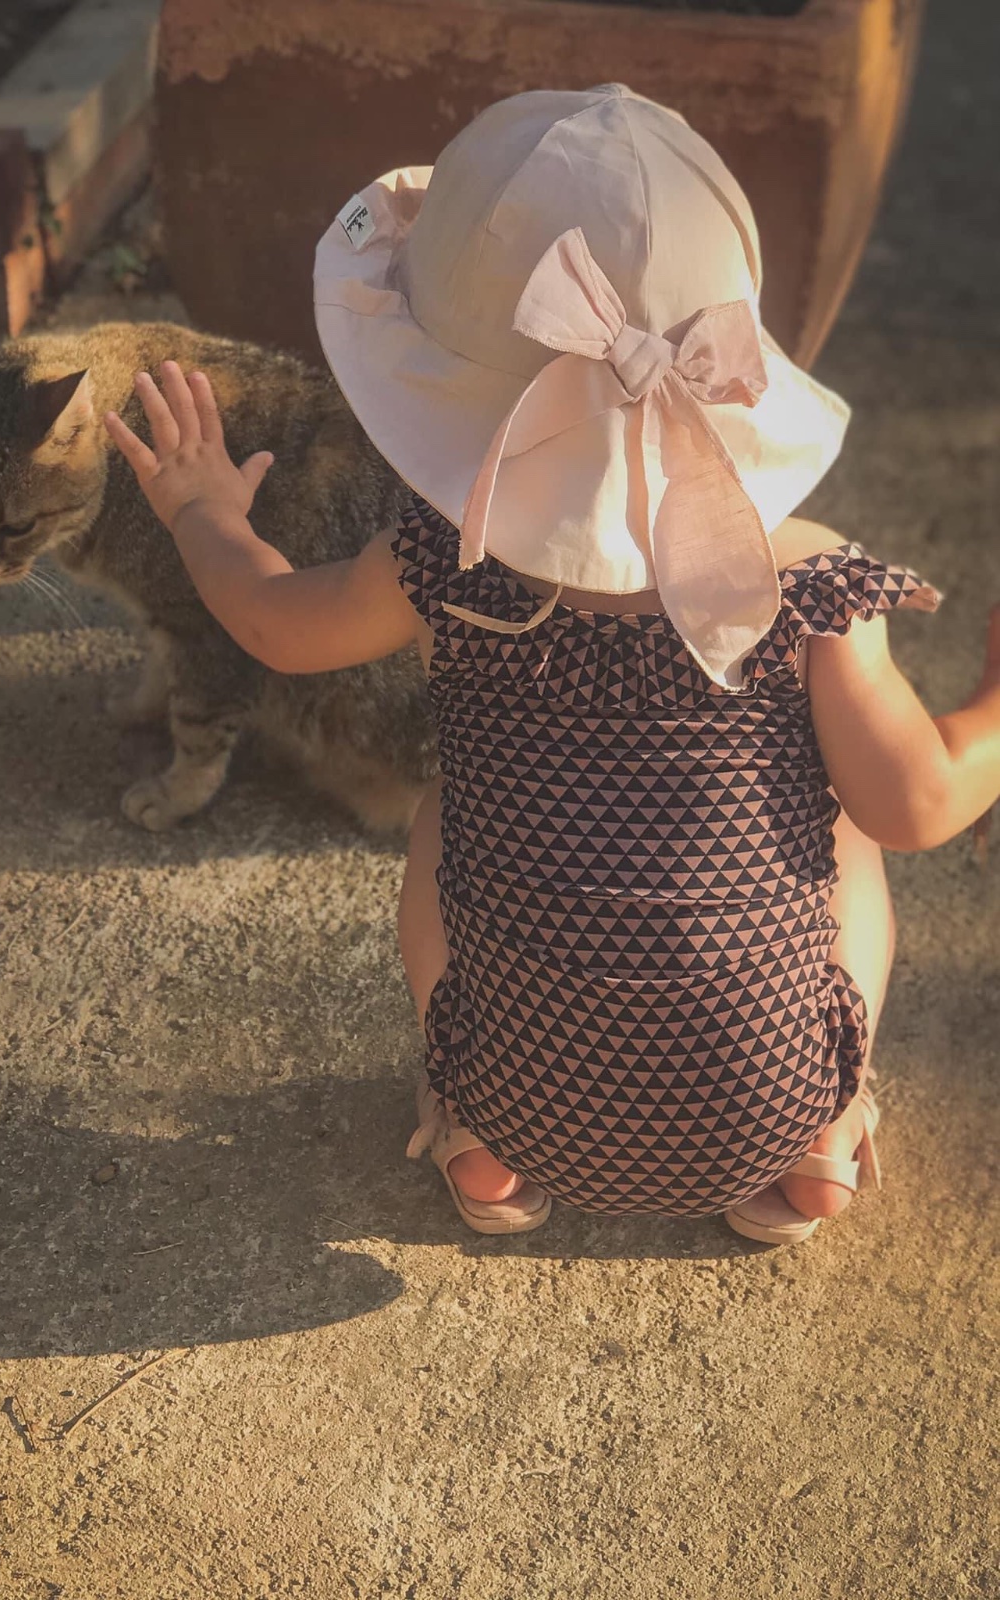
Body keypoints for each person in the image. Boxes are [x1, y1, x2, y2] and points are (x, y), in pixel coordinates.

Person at [104, 86, 1000, 1245]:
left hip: (530, 1099)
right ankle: (820, 1133)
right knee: (849, 825)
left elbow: (275, 624)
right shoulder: (806, 583)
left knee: (448, 811)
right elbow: (918, 799)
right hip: (759, 1104)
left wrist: (202, 512)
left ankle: (473, 1133)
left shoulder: (440, 559)